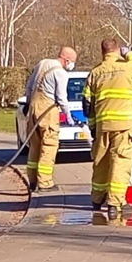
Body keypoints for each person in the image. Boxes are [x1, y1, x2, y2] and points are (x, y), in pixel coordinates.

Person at [83, 38, 132, 219]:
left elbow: (87, 104)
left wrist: (93, 128)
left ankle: (97, 199)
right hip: (124, 125)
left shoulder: (95, 72)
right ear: (118, 50)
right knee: (120, 163)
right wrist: (129, 54)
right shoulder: (131, 67)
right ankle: (115, 203)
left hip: (103, 125)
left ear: (102, 52)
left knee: (101, 162)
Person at [22, 47, 78, 191]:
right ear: (67, 60)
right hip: (48, 109)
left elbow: (29, 86)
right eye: (73, 62)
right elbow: (61, 98)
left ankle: (32, 180)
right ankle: (45, 182)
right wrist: (68, 116)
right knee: (49, 145)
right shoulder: (61, 73)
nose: (72, 65)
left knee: (35, 145)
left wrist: (28, 103)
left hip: (34, 106)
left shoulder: (43, 63)